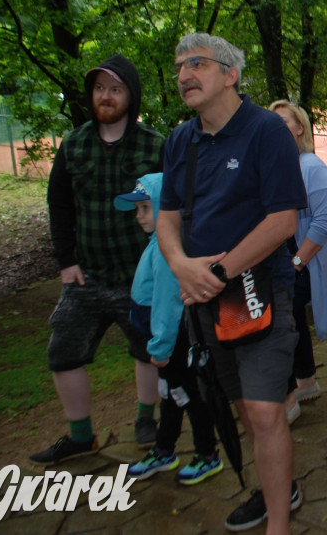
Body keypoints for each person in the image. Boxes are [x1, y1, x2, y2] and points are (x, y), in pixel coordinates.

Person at [157, 33, 307, 533]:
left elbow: (283, 221)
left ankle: (278, 525)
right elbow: (167, 216)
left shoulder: (267, 131)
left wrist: (217, 273)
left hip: (260, 291)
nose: (183, 75)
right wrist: (181, 266)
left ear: (230, 73)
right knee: (244, 406)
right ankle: (275, 488)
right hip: (204, 301)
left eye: (196, 63)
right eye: (179, 66)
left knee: (265, 412)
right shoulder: (181, 140)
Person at [32, 54, 165, 465]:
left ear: (131, 95)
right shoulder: (74, 144)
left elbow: (174, 205)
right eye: (99, 89)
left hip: (139, 274)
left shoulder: (155, 145)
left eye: (115, 89)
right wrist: (65, 259)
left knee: (147, 349)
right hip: (85, 275)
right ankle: (80, 435)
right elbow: (59, 203)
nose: (105, 96)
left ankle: (147, 419)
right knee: (63, 352)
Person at [117, 174, 223, 485]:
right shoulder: (157, 245)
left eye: (146, 209)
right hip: (160, 338)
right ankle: (165, 449)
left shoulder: (167, 253)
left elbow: (167, 303)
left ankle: (207, 454)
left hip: (172, 342)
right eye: (137, 209)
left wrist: (160, 348)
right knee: (170, 396)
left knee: (187, 396)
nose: (139, 217)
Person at [269, 100, 327, 419]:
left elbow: (324, 220)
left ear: (300, 128)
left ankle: (288, 400)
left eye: (284, 121)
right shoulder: (275, 165)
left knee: (280, 326)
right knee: (290, 321)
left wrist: (296, 263)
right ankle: (306, 380)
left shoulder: (310, 165)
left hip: (296, 262)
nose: (277, 126)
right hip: (279, 259)